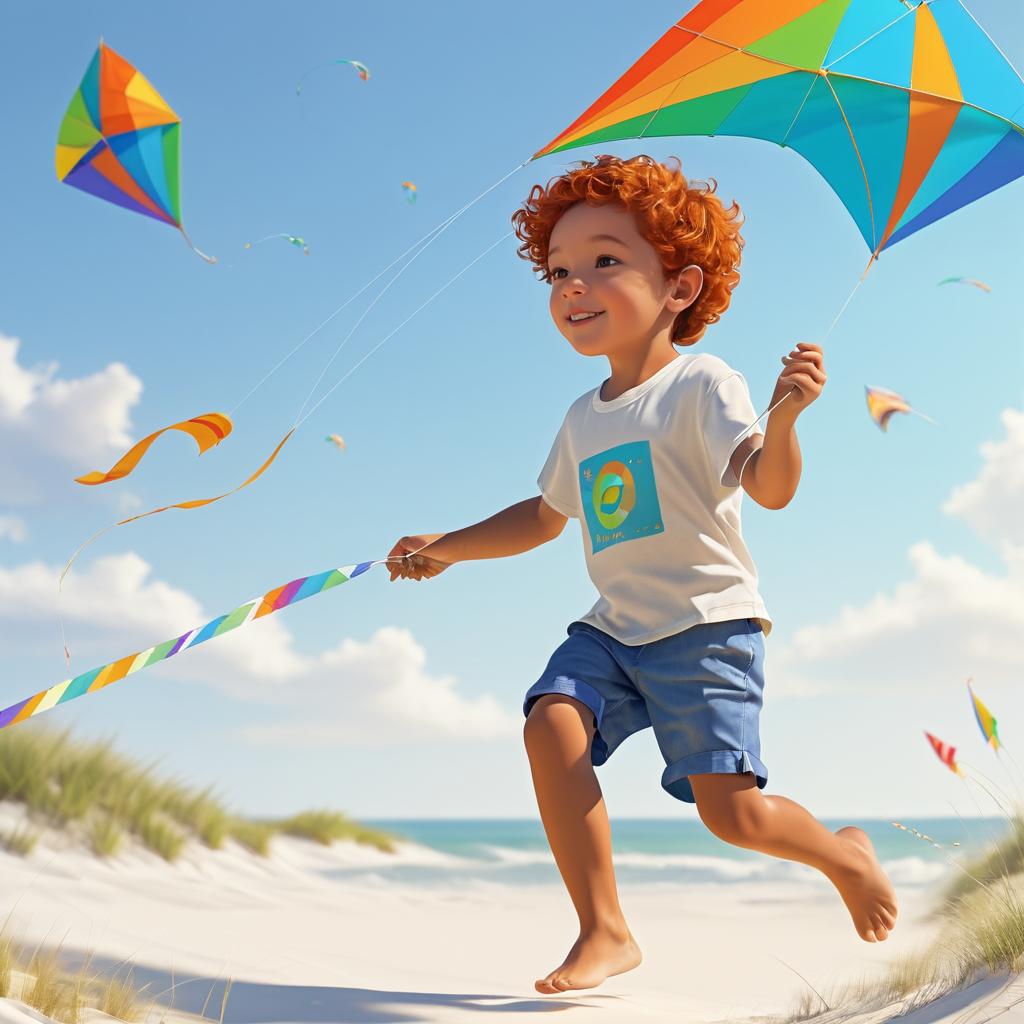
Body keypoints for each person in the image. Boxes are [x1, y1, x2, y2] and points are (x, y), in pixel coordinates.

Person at [387, 155, 897, 994]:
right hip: (615, 628)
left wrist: (788, 414)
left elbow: (768, 489)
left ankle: (841, 854)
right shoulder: (582, 417)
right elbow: (545, 517)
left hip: (706, 627)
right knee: (549, 723)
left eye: (605, 262)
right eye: (558, 270)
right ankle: (605, 928)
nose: (573, 285)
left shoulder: (705, 381)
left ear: (681, 287)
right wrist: (446, 544)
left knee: (734, 817)